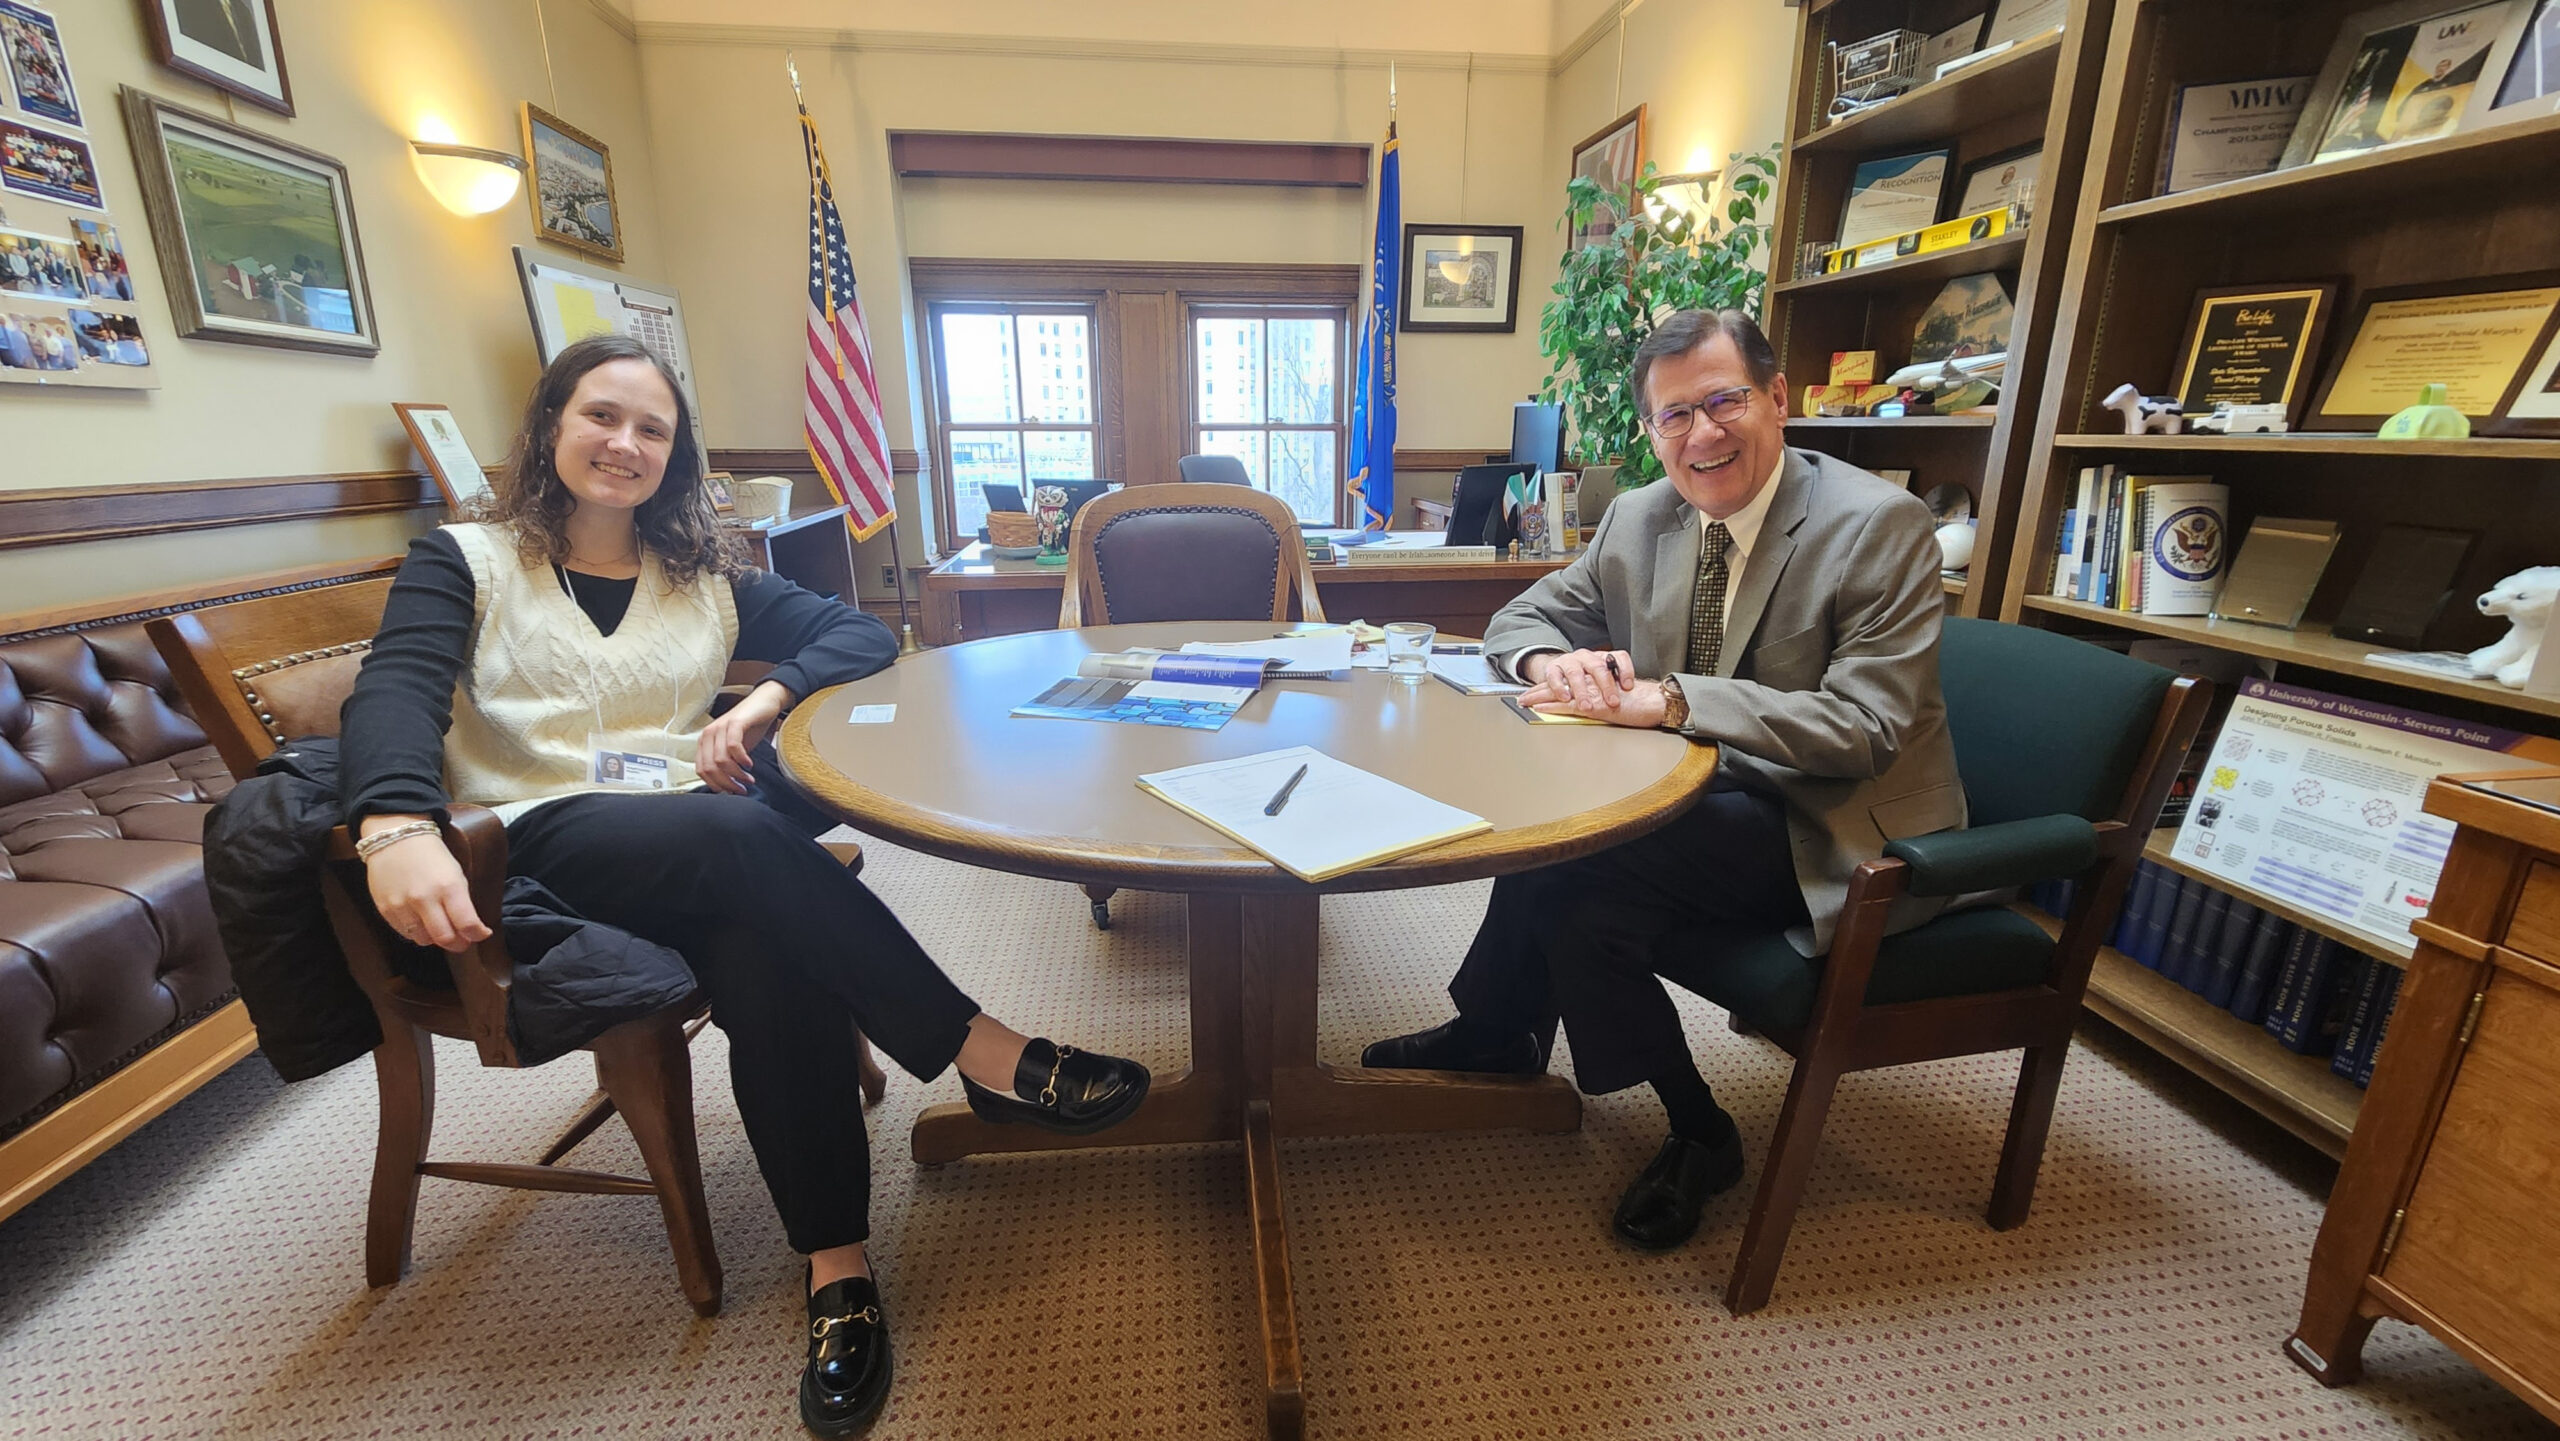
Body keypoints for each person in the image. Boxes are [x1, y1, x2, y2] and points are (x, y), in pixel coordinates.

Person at [341, 334, 1151, 1437]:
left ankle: (838, 1272)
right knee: (746, 840)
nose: (624, 443)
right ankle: (981, 1050)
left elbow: (860, 631)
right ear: (548, 428)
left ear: (675, 459)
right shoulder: (467, 558)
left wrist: (765, 698)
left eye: (652, 429)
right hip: (535, 841)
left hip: (689, 844)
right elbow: (391, 689)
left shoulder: (700, 575)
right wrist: (393, 823)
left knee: (767, 936)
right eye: (601, 416)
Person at [1363, 308, 1964, 1253]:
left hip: (1827, 820)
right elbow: (1521, 619)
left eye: (1725, 400)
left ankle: (1680, 1120)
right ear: (1651, 431)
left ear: (1777, 398)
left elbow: (1867, 729)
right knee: (1554, 823)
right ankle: (1511, 1035)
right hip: (1701, 793)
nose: (1704, 433)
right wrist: (1543, 669)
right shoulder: (1646, 515)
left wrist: (1676, 701)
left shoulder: (1877, 526)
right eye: (1675, 415)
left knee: (1577, 868)